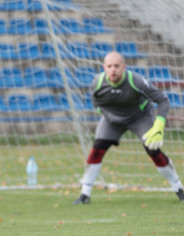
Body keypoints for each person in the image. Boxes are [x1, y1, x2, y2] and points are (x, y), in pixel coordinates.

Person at [74, 51, 184, 204]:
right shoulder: (97, 82)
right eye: (109, 66)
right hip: (112, 119)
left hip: (139, 117)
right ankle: (84, 194)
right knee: (97, 148)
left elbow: (163, 100)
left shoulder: (136, 81)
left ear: (124, 67)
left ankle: (179, 188)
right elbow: (96, 102)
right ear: (104, 68)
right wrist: (108, 115)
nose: (113, 70)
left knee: (152, 149)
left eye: (117, 66)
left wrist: (159, 124)